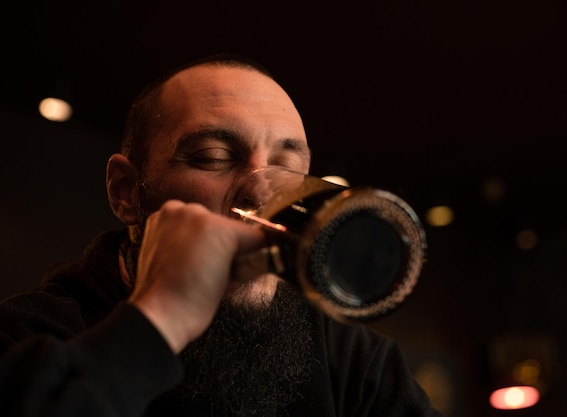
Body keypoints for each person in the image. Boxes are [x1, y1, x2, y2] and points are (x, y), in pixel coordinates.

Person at [0, 53, 441, 417]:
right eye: (212, 157)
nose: (264, 190)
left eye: (288, 168)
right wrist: (160, 318)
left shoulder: (349, 356)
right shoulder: (29, 340)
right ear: (126, 192)